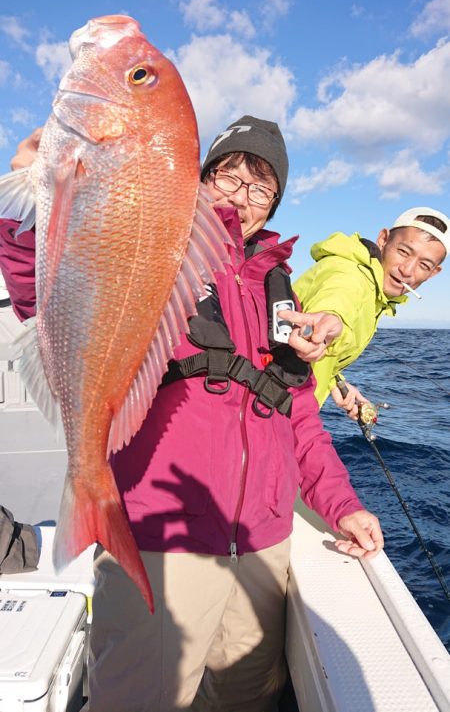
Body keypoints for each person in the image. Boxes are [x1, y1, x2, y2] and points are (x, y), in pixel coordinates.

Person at [1, 116, 383, 712]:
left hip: (261, 545)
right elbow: (50, 295)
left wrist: (343, 505)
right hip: (163, 539)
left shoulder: (280, 286)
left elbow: (300, 417)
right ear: (201, 179)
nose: (242, 196)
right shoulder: (154, 248)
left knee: (244, 700)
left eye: (262, 188)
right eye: (229, 176)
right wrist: (34, 194)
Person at [291, 210, 448, 418]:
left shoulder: (376, 295)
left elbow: (322, 353)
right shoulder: (351, 274)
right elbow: (338, 299)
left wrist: (334, 381)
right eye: (403, 252)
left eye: (424, 265)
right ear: (383, 240)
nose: (408, 270)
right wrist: (330, 321)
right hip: (271, 411)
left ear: (433, 273)